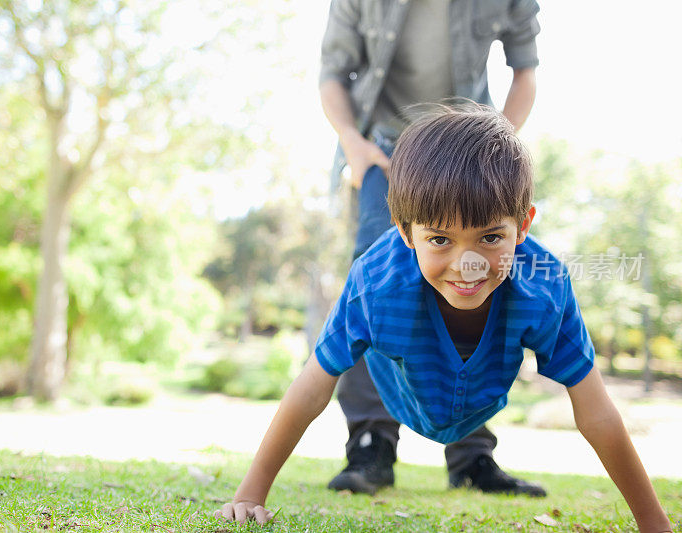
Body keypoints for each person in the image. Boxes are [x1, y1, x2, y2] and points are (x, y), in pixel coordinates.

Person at [215, 106, 673, 532]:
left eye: (492, 236)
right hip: (400, 390)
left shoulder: (544, 285)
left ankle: (473, 462)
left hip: (481, 394)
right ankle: (374, 449)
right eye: (439, 240)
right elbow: (313, 386)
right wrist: (251, 493)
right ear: (406, 232)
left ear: (524, 225)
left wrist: (655, 524)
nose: (466, 263)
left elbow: (595, 411)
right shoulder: (376, 283)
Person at [319, 0, 542, 495]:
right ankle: (371, 443)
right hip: (382, 150)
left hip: (469, 154)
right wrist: (355, 146)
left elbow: (526, 71)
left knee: (478, 280)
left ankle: (472, 455)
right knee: (373, 286)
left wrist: (495, 144)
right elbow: (332, 74)